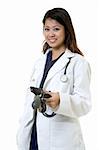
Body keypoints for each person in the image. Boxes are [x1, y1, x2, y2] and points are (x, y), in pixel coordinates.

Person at [16, 7, 91, 150]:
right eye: (46, 29)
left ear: (66, 30)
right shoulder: (39, 63)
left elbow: (85, 104)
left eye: (56, 29)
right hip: (33, 136)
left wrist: (61, 100)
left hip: (61, 141)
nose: (50, 34)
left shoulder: (78, 63)